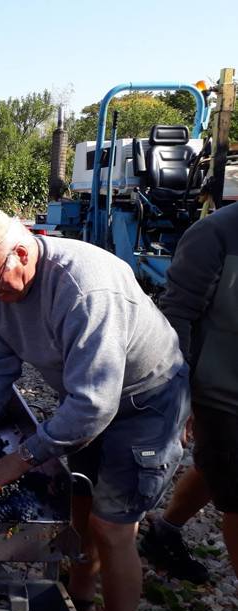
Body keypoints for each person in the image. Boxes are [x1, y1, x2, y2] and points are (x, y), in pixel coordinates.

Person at [0, 209, 190, 611]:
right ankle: (81, 597)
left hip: (145, 401)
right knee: (78, 503)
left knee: (112, 526)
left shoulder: (85, 291)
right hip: (86, 395)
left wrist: (24, 457)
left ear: (20, 253)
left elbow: (95, 404)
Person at [141, 200, 238, 583]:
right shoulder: (215, 233)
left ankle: (165, 532)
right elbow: (177, 315)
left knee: (216, 465)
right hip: (223, 392)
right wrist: (181, 393)